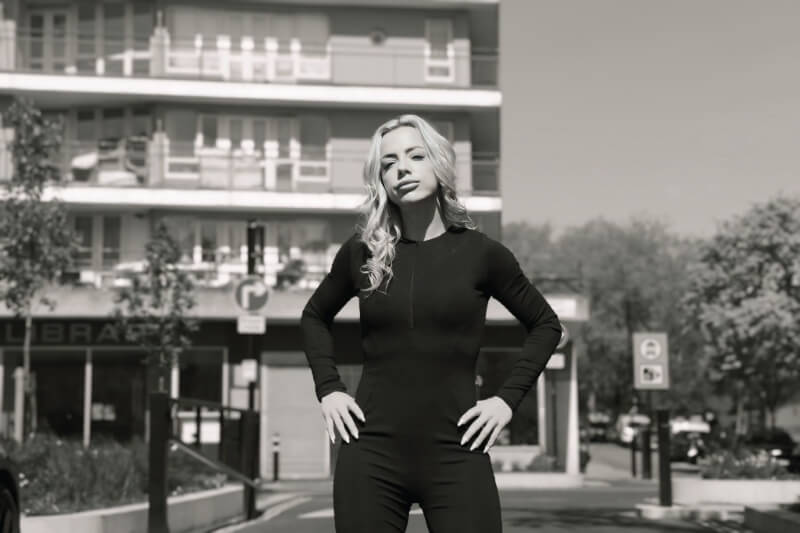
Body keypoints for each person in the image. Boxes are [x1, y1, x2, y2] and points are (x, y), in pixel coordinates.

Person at [301, 114, 562, 532]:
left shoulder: (483, 255)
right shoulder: (362, 253)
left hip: (457, 451)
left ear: (439, 164)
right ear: (381, 179)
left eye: (415, 156)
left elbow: (546, 325)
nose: (401, 169)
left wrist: (505, 400)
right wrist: (329, 389)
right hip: (370, 455)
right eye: (388, 163)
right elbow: (314, 316)